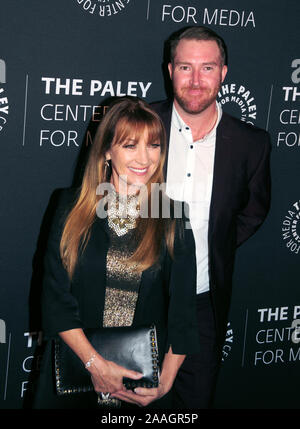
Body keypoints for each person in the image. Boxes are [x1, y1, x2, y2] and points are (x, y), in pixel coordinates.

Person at [32, 97, 200, 409]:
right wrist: (95, 365)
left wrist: (165, 381)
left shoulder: (173, 216)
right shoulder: (69, 207)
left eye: (153, 145)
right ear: (107, 151)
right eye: (129, 145)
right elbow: (55, 300)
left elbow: (184, 313)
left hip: (141, 388)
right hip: (73, 376)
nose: (143, 158)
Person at [151, 26, 271, 408]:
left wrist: (209, 244)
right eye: (186, 67)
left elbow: (254, 211)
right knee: (123, 404)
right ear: (170, 70)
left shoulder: (252, 143)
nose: (196, 80)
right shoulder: (137, 126)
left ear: (223, 73)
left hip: (202, 304)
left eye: (208, 68)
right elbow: (103, 200)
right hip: (134, 298)